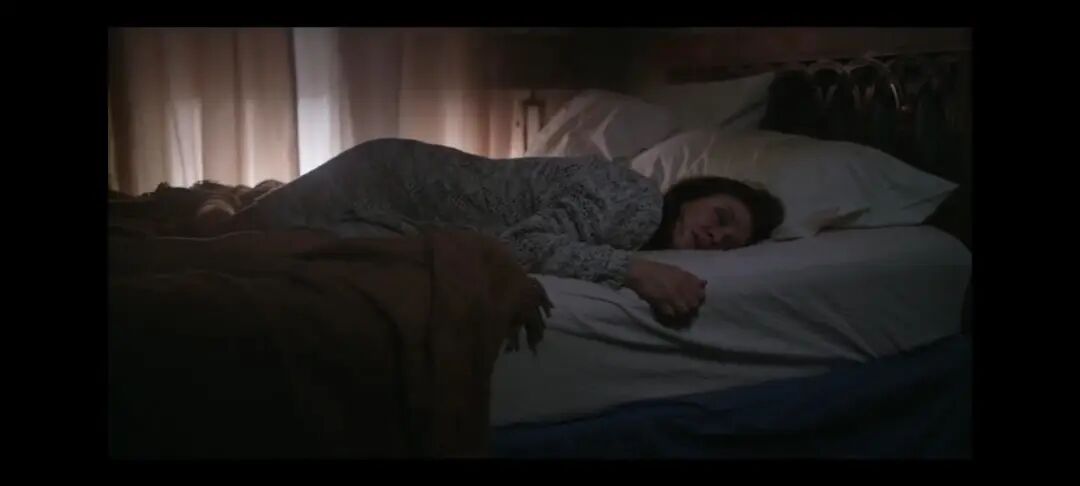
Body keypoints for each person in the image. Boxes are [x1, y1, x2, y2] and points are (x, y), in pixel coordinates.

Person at [228, 138, 784, 325]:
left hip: (393, 196)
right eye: (722, 218)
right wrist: (634, 271)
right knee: (235, 241)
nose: (717, 238)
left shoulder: (635, 216)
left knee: (252, 239)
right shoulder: (639, 201)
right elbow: (523, 246)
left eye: (730, 242)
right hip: (388, 185)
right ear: (693, 195)